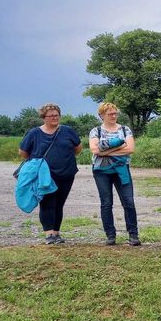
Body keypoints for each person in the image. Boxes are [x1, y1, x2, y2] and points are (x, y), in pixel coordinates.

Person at [19, 103, 83, 244]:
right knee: (47, 203)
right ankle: (49, 235)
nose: (55, 117)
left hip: (66, 174)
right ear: (44, 117)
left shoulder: (68, 131)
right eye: (51, 115)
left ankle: (56, 233)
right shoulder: (34, 133)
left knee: (59, 204)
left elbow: (78, 148)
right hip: (44, 176)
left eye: (57, 115)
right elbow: (23, 153)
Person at [89, 102, 140, 246]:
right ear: (101, 115)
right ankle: (110, 235)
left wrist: (105, 151)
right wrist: (119, 146)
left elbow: (130, 149)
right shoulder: (95, 131)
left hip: (122, 169)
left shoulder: (125, 129)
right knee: (106, 203)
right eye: (109, 113)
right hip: (101, 171)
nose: (113, 116)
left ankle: (133, 235)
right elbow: (95, 150)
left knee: (129, 202)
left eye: (115, 113)